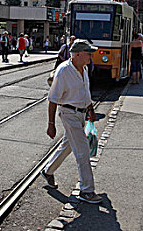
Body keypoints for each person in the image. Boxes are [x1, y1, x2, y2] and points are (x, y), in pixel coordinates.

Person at [42, 39, 102, 204]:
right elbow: (52, 99)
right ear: (77, 54)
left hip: (81, 114)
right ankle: (86, 190)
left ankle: (48, 171)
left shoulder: (84, 68)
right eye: (88, 53)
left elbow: (85, 91)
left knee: (68, 145)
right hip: (69, 113)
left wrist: (90, 109)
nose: (91, 56)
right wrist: (51, 124)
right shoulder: (63, 71)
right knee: (82, 151)